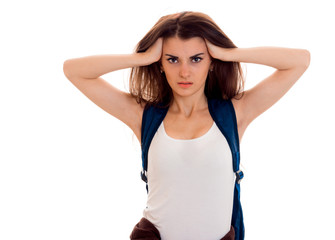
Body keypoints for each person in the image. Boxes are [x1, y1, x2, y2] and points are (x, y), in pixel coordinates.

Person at [63, 11, 310, 240]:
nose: (184, 72)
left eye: (196, 59)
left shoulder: (235, 113)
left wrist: (228, 53)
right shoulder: (143, 116)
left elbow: (300, 61)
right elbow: (73, 70)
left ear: (211, 61)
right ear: (161, 64)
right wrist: (143, 57)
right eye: (172, 59)